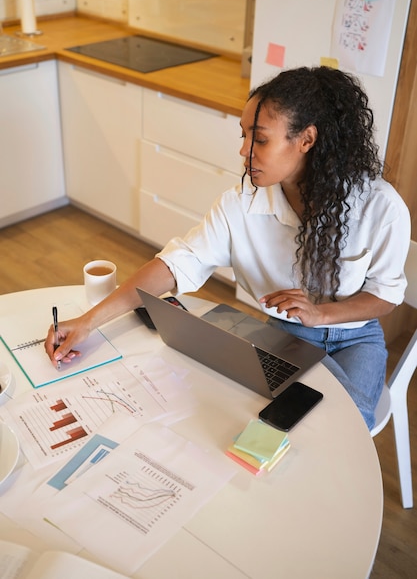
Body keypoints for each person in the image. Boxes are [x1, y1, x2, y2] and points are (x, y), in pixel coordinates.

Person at [45, 66, 410, 430]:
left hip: (356, 337)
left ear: (306, 139)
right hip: (287, 334)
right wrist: (88, 322)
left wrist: (321, 315)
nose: (243, 151)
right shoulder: (241, 205)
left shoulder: (379, 207)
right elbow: (176, 264)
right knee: (276, 421)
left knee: (346, 427)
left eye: (260, 139)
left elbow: (385, 295)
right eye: (243, 136)